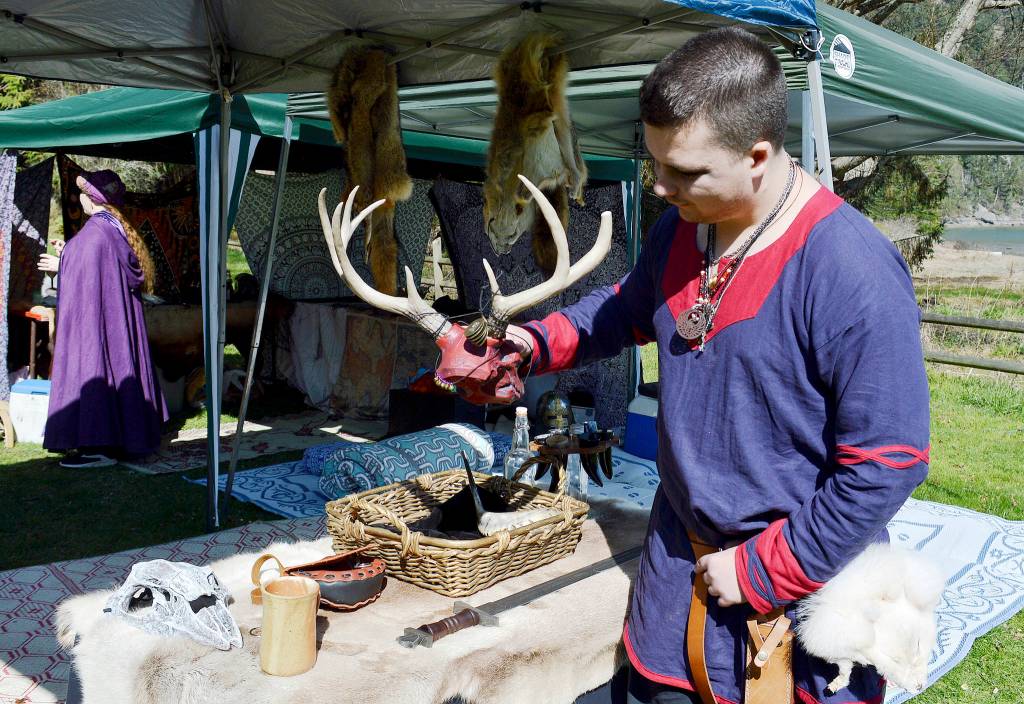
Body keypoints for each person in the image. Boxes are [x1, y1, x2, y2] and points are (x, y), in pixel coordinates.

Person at [507, 27, 930, 704]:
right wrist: (527, 345)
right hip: (677, 577)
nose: (661, 186)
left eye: (685, 171)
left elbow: (889, 462)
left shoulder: (852, 271)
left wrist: (768, 571)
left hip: (798, 603)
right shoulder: (681, 228)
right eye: (656, 164)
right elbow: (622, 309)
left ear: (757, 155)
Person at [38, 169, 167, 467]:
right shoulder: (113, 226)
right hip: (115, 319)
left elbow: (87, 266)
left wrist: (62, 263)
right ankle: (123, 437)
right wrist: (70, 252)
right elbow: (99, 266)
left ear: (90, 198)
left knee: (95, 367)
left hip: (98, 321)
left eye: (83, 192)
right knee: (118, 366)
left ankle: (98, 446)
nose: (79, 197)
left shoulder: (96, 232)